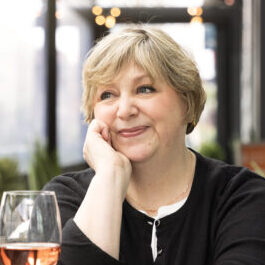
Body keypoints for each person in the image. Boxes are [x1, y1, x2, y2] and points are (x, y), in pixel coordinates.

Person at [43, 25, 265, 265]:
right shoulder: (62, 200)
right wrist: (110, 175)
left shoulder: (242, 197)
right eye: (107, 94)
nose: (125, 110)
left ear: (187, 103)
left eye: (144, 89)